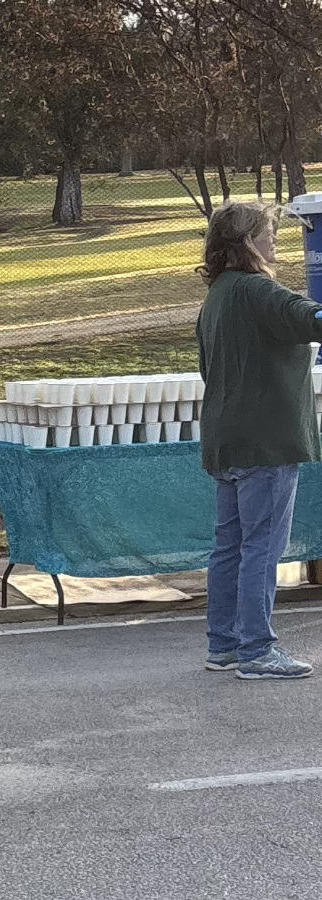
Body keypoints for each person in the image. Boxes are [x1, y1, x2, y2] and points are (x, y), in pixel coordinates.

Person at [197, 201, 319, 680]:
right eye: (268, 233)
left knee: (230, 547)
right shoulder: (258, 290)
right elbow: (308, 316)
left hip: (224, 439)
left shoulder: (218, 296)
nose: (274, 240)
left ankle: (224, 645)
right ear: (247, 242)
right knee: (262, 548)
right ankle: (257, 650)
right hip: (266, 441)